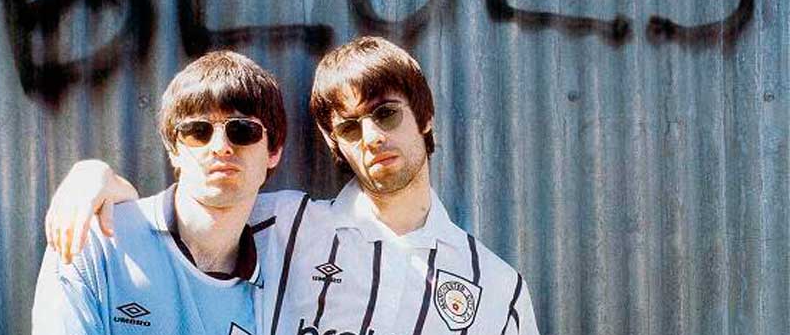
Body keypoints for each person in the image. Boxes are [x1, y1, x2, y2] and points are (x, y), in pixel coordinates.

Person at [45, 36, 540, 335]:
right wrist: (95, 178)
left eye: (387, 114)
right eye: (349, 127)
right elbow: (191, 212)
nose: (372, 138)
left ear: (425, 116)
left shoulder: (498, 290)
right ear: (333, 142)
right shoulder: (285, 225)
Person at [32, 51, 286, 335]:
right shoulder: (94, 239)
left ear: (273, 151)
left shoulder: (284, 281)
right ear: (174, 151)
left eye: (242, 130)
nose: (220, 146)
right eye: (197, 131)